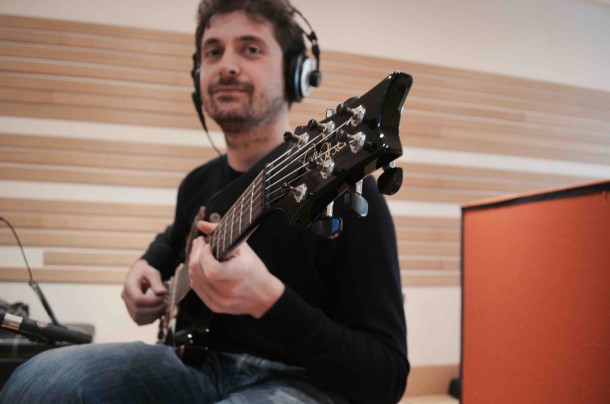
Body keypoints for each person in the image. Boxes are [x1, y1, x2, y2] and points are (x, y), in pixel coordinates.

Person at [0, 0, 408, 403]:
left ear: (295, 74)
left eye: (250, 48)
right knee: (39, 382)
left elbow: (386, 377)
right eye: (213, 51)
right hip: (194, 362)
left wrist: (270, 302)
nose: (227, 65)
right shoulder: (197, 184)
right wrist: (147, 265)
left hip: (304, 379)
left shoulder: (347, 194)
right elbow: (176, 238)